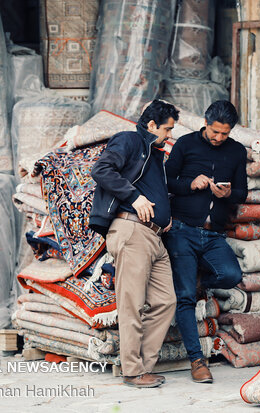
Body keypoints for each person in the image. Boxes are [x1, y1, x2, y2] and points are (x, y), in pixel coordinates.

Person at [89, 100, 179, 388]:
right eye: (167, 129)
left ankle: (144, 367)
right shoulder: (129, 140)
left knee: (166, 301)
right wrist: (134, 197)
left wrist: (165, 216)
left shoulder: (155, 153)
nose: (169, 135)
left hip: (155, 235)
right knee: (132, 304)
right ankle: (132, 371)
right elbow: (101, 169)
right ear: (151, 125)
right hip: (131, 230)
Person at [163, 100, 247, 383]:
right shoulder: (185, 144)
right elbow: (165, 181)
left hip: (213, 233)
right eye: (215, 132)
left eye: (225, 133)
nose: (219, 138)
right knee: (185, 297)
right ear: (206, 122)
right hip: (182, 230)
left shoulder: (236, 151)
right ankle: (197, 361)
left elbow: (243, 193)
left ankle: (198, 280)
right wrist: (190, 184)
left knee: (231, 274)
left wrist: (229, 194)